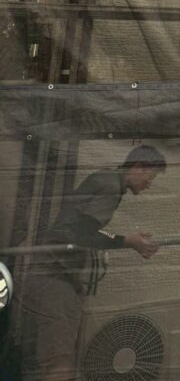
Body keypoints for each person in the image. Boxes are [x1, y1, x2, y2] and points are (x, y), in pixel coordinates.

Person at [21, 145, 166, 381]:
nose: (149, 184)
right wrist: (128, 241)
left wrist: (123, 238)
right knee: (59, 363)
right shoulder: (111, 186)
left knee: (45, 359)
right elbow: (84, 233)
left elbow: (90, 228)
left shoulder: (107, 179)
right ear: (138, 167)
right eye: (150, 177)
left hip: (48, 273)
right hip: (55, 276)